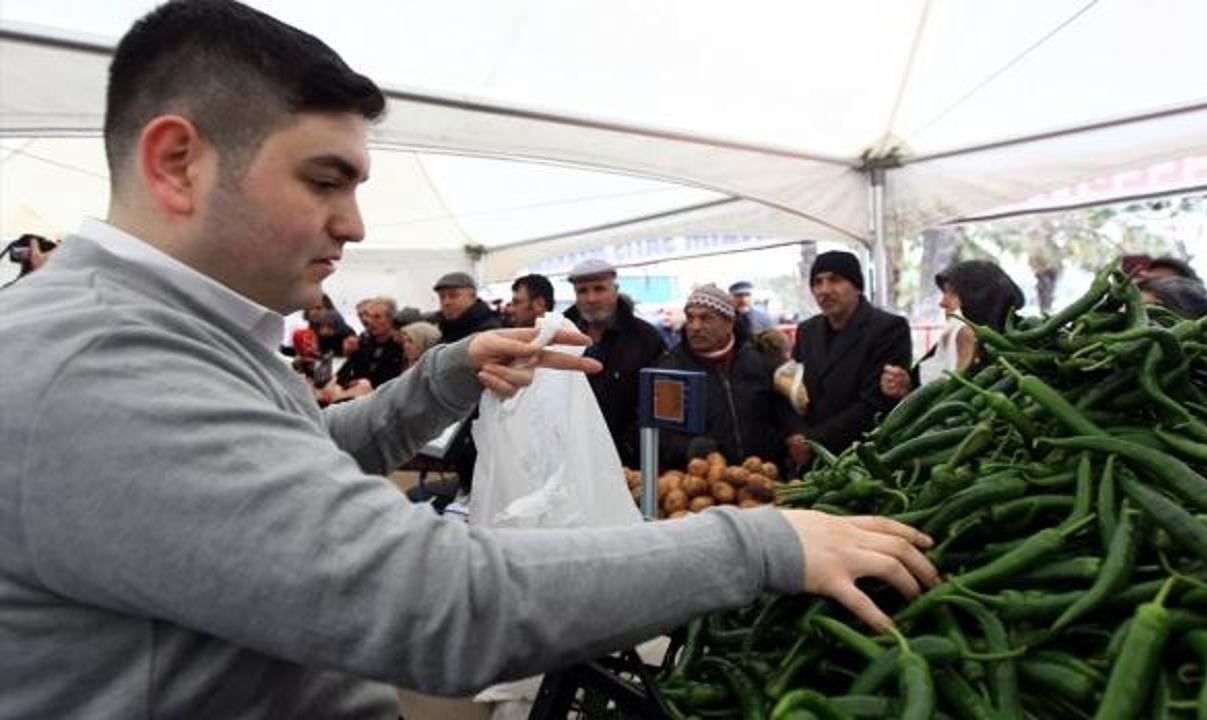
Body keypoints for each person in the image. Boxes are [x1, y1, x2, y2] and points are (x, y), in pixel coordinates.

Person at [0, 2, 937, 716]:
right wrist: (763, 543)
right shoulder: (96, 365)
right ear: (177, 163)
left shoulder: (169, 332)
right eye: (324, 180)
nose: (353, 225)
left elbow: (304, 456)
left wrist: (444, 377)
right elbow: (433, 603)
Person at [787, 250, 912, 466]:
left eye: (835, 280)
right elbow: (793, 389)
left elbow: (876, 402)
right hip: (810, 459)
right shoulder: (807, 331)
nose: (824, 290)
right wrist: (795, 433)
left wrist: (814, 440)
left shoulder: (888, 328)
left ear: (856, 286)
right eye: (817, 282)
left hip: (861, 457)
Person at [657, 285, 801, 468]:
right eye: (690, 318)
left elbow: (786, 412)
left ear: (728, 323)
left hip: (765, 475)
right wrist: (689, 447)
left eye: (705, 318)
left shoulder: (760, 360)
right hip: (705, 483)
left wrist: (794, 434)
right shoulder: (672, 371)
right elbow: (661, 435)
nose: (695, 327)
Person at [563, 257, 668, 466]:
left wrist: (630, 448)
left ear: (615, 289)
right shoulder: (562, 336)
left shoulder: (645, 338)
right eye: (582, 291)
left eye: (599, 289)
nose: (591, 298)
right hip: (571, 457)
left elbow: (660, 403)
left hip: (627, 462)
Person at [880, 260, 1025, 399]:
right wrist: (906, 385)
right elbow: (922, 395)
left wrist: (964, 363)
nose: (942, 303)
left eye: (952, 294)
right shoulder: (951, 340)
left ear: (979, 299)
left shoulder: (1017, 353)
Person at [336, 296, 405, 388]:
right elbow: (345, 374)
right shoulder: (364, 342)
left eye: (377, 317)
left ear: (391, 319)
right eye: (370, 317)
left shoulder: (400, 346)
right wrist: (350, 354)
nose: (371, 322)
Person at [431, 271, 503, 342]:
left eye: (453, 295)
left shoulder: (488, 330)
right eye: (442, 297)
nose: (446, 302)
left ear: (473, 296)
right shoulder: (446, 326)